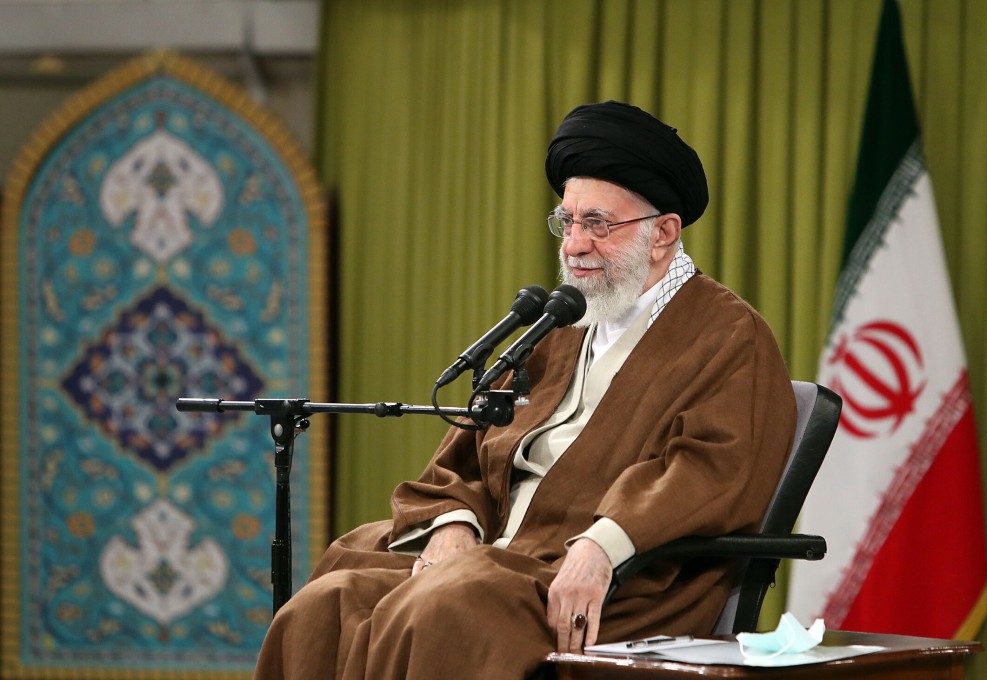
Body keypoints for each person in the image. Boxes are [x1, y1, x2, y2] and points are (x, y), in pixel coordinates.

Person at [253, 101, 796, 680]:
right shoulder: (559, 326)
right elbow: (467, 454)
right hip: (504, 559)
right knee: (326, 600)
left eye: (598, 224)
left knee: (446, 605)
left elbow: (713, 472)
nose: (575, 245)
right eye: (568, 222)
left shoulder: (729, 334)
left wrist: (601, 547)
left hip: (621, 585)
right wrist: (453, 524)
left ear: (663, 233)